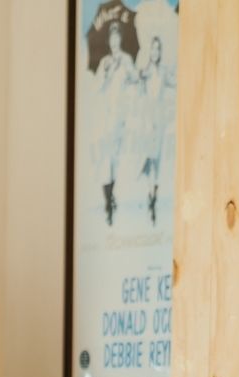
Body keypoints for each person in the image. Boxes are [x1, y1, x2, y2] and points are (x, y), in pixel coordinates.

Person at [94, 21, 138, 226]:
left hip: (121, 117)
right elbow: (99, 88)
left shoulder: (127, 59)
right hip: (105, 116)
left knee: (117, 160)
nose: (114, 41)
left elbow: (135, 80)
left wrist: (128, 69)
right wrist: (109, 71)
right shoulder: (104, 62)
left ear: (120, 39)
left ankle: (112, 197)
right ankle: (108, 202)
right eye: (111, 38)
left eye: (117, 37)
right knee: (107, 160)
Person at [138, 35, 176, 226]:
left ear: (160, 52)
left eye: (158, 49)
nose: (155, 52)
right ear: (149, 51)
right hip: (148, 120)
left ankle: (153, 198)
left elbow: (175, 83)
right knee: (150, 159)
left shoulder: (163, 72)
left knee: (157, 162)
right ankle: (150, 197)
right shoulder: (144, 72)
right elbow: (140, 95)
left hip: (159, 121)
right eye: (153, 49)